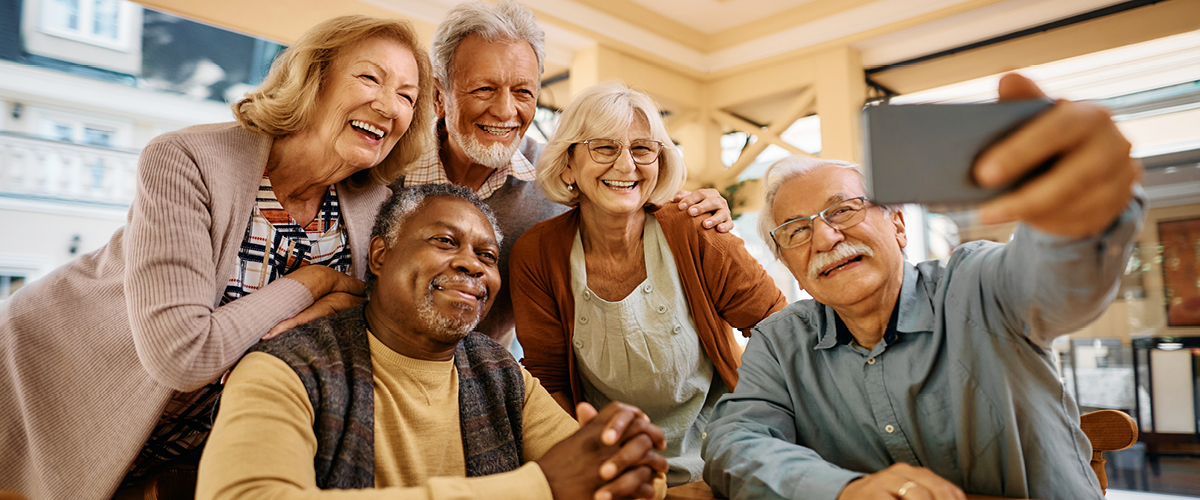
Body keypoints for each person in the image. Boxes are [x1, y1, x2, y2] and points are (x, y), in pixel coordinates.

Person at [0, 16, 435, 500]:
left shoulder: (375, 209)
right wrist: (310, 284)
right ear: (315, 78)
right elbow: (183, 354)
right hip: (59, 387)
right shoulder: (186, 158)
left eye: (407, 96)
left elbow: (366, 324)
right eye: (370, 77)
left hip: (191, 444)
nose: (388, 105)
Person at [701, 73, 1144, 500]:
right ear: (789, 265)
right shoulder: (781, 341)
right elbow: (733, 444)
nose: (824, 239)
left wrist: (1078, 218)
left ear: (897, 224)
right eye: (797, 231)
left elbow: (1058, 282)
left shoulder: (977, 286)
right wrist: (844, 490)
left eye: (843, 211)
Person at [196, 184, 669, 500]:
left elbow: (598, 470)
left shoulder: (499, 372)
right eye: (445, 242)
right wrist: (538, 488)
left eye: (487, 255)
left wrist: (628, 455)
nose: (473, 265)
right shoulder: (285, 368)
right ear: (380, 255)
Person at [398, 0, 734, 348]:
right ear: (439, 95)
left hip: (485, 377)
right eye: (484, 88)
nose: (504, 110)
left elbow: (630, 204)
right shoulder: (386, 166)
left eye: (523, 92)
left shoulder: (561, 175)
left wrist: (699, 210)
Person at [511, 81, 788, 487]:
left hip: (722, 461)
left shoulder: (696, 227)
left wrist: (746, 434)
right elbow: (549, 382)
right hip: (615, 469)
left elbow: (779, 330)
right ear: (568, 164)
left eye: (642, 149)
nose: (627, 166)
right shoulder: (537, 252)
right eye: (604, 148)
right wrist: (599, 467)